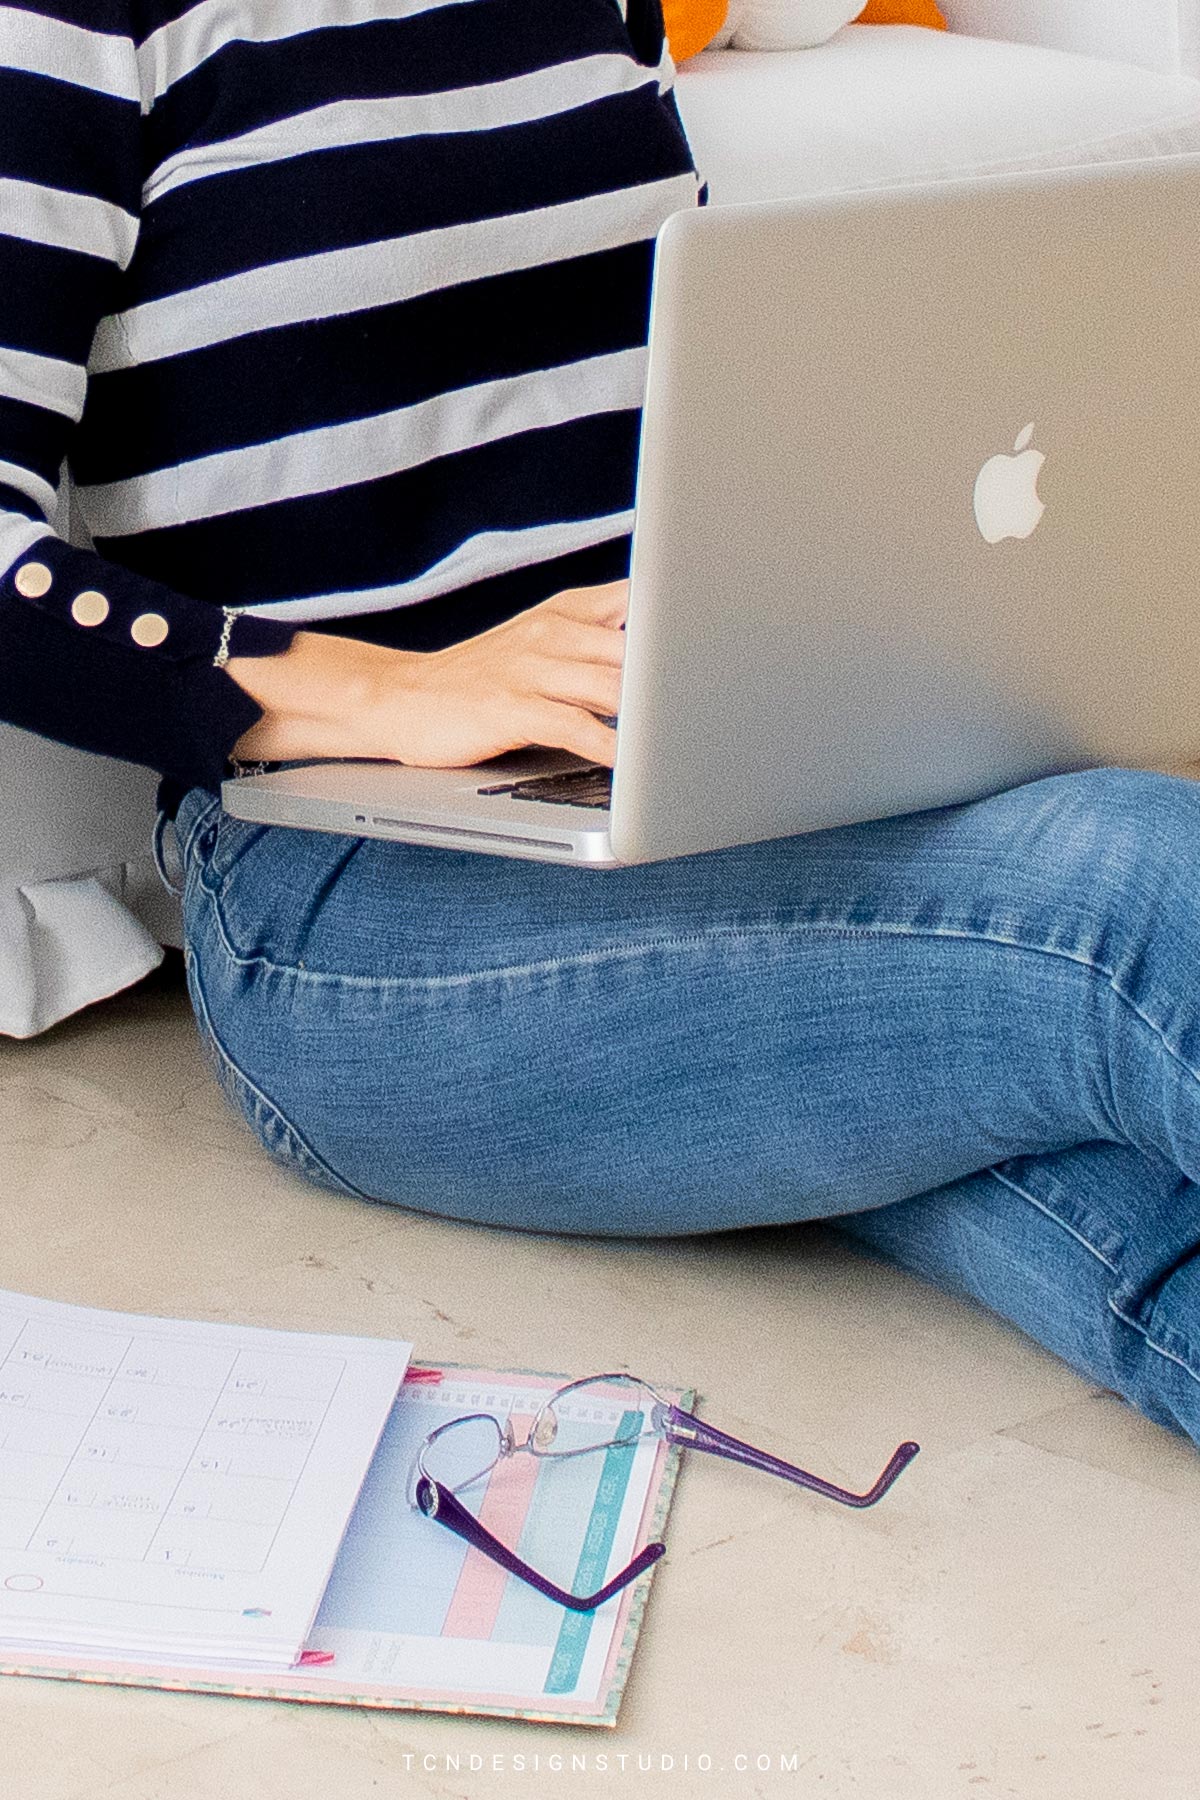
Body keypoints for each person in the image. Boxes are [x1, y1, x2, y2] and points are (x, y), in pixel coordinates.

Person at [3, 0, 1200, 1452]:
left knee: (1120, 1203)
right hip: (342, 903)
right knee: (1141, 889)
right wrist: (382, 684)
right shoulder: (74, 22)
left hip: (692, 770)